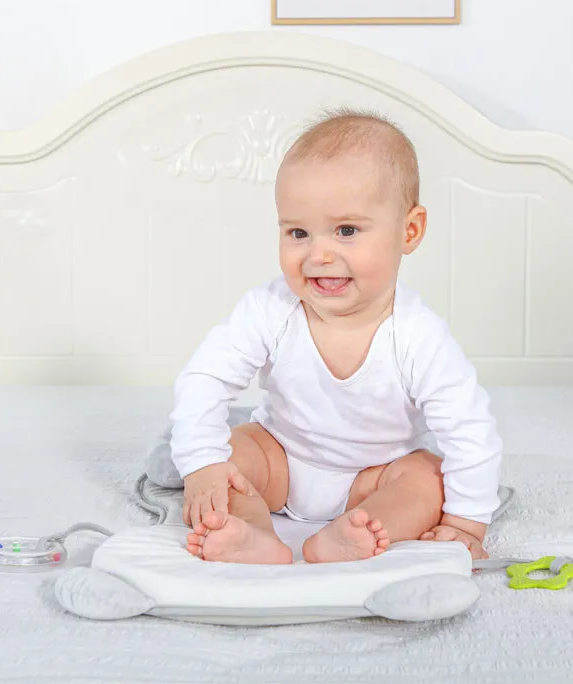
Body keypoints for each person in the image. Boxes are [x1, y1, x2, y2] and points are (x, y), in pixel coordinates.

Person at [169, 109, 503, 565]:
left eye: (346, 231)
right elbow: (206, 378)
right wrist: (202, 464)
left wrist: (466, 523)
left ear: (409, 231)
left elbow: (468, 430)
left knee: (427, 479)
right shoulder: (271, 308)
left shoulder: (417, 335)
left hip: (373, 478)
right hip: (279, 460)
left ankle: (358, 533)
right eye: (298, 232)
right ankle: (250, 534)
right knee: (231, 453)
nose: (319, 254)